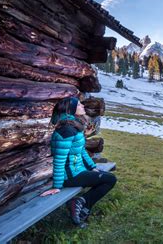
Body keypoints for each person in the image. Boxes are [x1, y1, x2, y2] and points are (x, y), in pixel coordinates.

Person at [40, 96, 117, 227]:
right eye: (79, 104)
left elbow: (81, 151)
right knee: (109, 180)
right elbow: (59, 160)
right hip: (69, 176)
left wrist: (92, 167)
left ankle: (81, 204)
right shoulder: (66, 130)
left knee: (108, 178)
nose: (82, 106)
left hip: (78, 170)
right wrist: (57, 186)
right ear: (71, 109)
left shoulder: (74, 126)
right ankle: (81, 205)